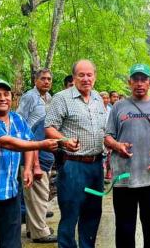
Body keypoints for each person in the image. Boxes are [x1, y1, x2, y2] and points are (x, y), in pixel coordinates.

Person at [0, 79, 69, 248]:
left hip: (9, 193)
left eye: (6, 94)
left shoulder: (17, 119)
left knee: (12, 243)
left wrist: (28, 168)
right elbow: (8, 143)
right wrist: (42, 145)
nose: (3, 98)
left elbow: (28, 140)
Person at [104, 63, 150, 248]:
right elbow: (107, 136)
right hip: (124, 178)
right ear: (129, 82)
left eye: (143, 79)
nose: (139, 83)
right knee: (124, 228)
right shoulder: (118, 107)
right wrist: (117, 145)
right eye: (135, 79)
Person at [45, 60, 107, 248]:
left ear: (94, 77)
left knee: (93, 213)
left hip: (96, 166)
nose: (86, 79)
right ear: (74, 77)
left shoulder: (97, 98)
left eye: (89, 75)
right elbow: (49, 127)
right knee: (71, 214)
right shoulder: (62, 98)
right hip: (73, 166)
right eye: (81, 75)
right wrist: (64, 140)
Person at [16, 68, 56, 243]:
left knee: (36, 194)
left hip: (44, 151)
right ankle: (41, 232)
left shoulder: (49, 99)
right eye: (43, 79)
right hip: (31, 153)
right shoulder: (29, 97)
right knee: (38, 194)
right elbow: (20, 123)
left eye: (49, 79)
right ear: (35, 80)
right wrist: (32, 160)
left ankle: (34, 229)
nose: (46, 82)